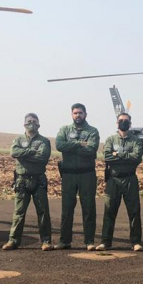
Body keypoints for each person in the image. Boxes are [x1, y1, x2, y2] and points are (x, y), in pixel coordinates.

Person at [2, 113, 53, 251]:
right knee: (19, 212)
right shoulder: (17, 140)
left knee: (43, 212)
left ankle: (46, 241)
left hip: (38, 181)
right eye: (29, 121)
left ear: (39, 124)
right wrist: (31, 151)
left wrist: (24, 155)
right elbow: (14, 152)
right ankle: (13, 240)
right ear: (24, 124)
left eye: (34, 121)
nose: (32, 123)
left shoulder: (44, 141)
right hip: (21, 181)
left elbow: (42, 157)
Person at [97, 112, 143, 251]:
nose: (123, 122)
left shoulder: (136, 140)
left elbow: (137, 157)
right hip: (113, 179)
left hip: (130, 178)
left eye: (126, 121)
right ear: (117, 123)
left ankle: (135, 242)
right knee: (109, 210)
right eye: (121, 120)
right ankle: (105, 242)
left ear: (130, 123)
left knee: (134, 211)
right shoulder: (111, 139)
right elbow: (107, 156)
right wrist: (125, 156)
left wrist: (118, 154)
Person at [55, 103, 99, 251]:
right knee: (66, 210)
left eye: (80, 113)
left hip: (87, 174)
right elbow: (59, 145)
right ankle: (64, 241)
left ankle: (89, 241)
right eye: (75, 113)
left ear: (85, 114)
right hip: (68, 175)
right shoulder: (64, 130)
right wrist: (80, 144)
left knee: (88, 209)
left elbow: (91, 150)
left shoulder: (92, 131)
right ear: (71, 115)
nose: (77, 115)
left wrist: (71, 146)